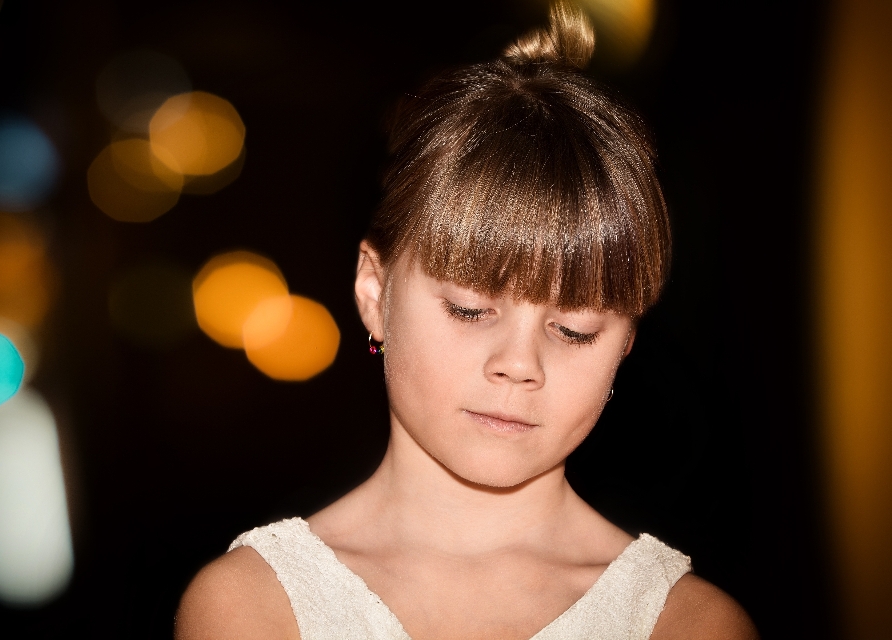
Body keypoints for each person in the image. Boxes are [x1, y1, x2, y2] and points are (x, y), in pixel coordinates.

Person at [175, 3, 759, 638]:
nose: (519, 364)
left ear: (627, 342)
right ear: (375, 292)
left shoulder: (689, 625)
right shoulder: (252, 610)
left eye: (574, 330)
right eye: (470, 310)